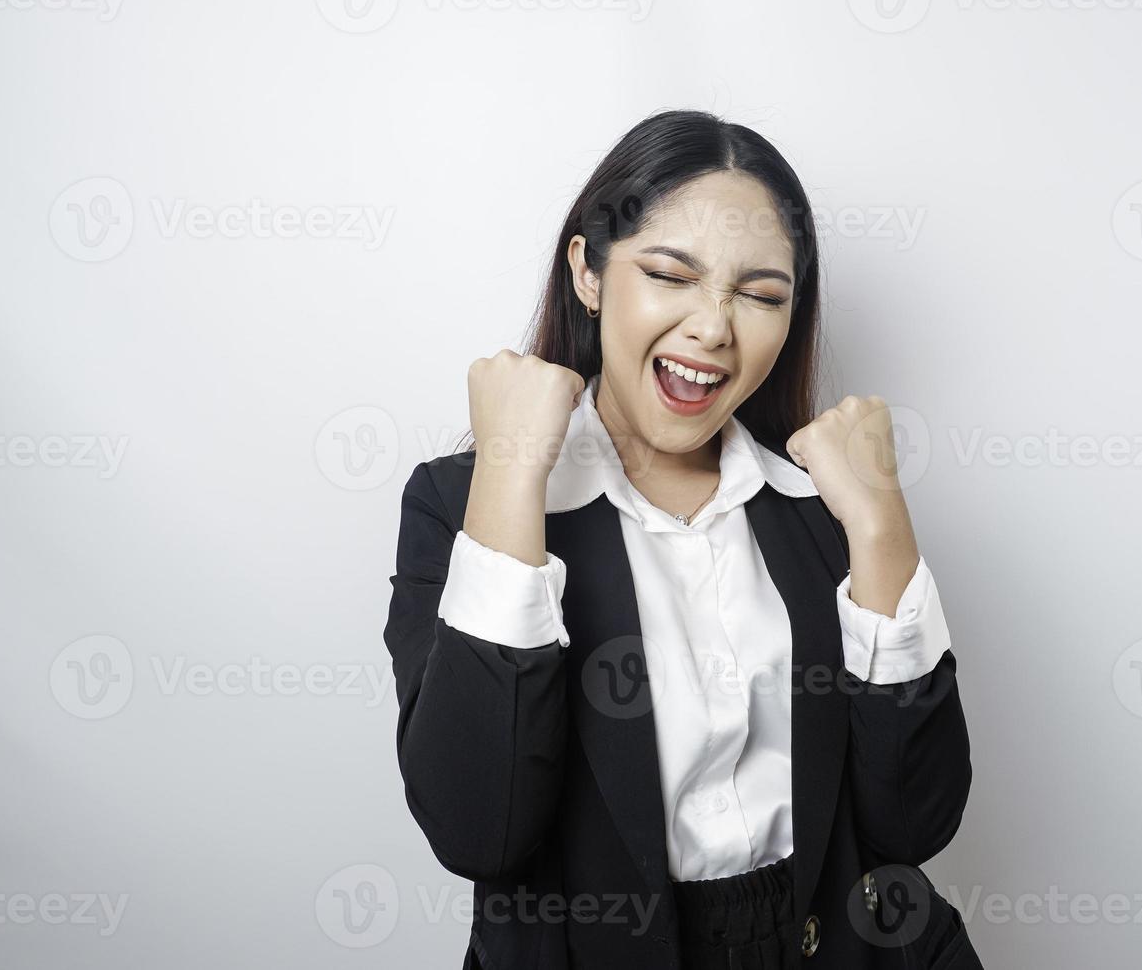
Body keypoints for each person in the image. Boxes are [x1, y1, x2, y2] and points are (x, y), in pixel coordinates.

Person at [384, 109, 982, 969]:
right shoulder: (459, 507)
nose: (713, 327)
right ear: (588, 271)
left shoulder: (825, 504)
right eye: (671, 274)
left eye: (761, 294)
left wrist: (884, 524)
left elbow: (913, 823)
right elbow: (481, 830)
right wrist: (514, 477)